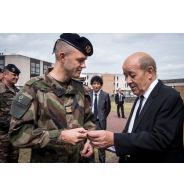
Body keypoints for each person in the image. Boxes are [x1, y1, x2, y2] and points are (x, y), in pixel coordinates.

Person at [9, 33, 96, 163]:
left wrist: (89, 140)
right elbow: (17, 134)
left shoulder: (81, 89)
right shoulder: (33, 88)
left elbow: (89, 121)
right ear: (62, 56)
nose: (84, 65)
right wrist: (60, 136)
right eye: (80, 60)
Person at [88, 52, 184, 163]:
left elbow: (160, 140)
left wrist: (114, 139)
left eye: (132, 75)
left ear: (149, 72)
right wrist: (104, 141)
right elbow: (131, 132)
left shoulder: (170, 97)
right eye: (125, 76)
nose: (128, 81)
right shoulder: (140, 97)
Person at [0, 64, 21, 163]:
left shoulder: (18, 92)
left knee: (14, 160)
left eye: (17, 75)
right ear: (5, 74)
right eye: (14, 74)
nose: (16, 77)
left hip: (14, 134)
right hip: (2, 135)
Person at [88, 75, 111, 162]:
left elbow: (107, 109)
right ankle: (91, 161)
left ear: (101, 85)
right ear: (92, 85)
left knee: (101, 144)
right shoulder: (88, 94)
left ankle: (102, 161)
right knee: (90, 143)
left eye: (98, 84)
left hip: (100, 123)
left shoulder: (105, 95)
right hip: (90, 122)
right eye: (94, 84)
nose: (96, 85)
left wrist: (102, 117)